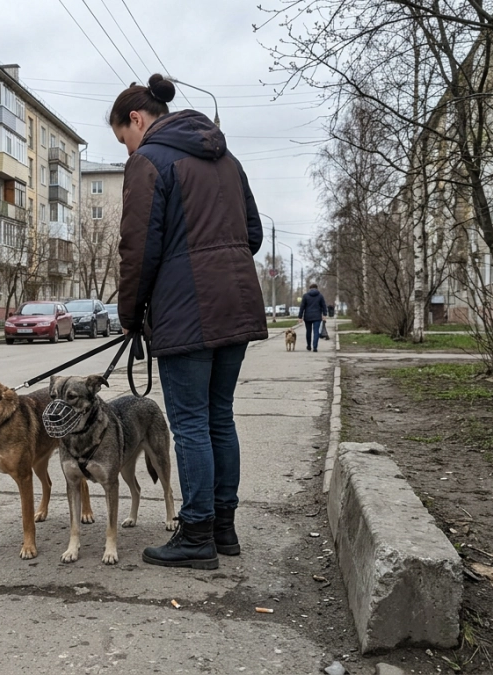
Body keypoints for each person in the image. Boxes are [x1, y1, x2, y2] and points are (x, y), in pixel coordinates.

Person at [112, 74, 268, 570]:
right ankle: (223, 528)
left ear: (137, 120)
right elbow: (253, 233)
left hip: (187, 310)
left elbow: (138, 250)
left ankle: (196, 533)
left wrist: (130, 316)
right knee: (219, 416)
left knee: (191, 424)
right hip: (238, 304)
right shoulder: (227, 159)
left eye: (123, 138)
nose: (126, 149)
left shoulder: (150, 161)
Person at [298, 283, 328, 352]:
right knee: (316, 331)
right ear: (317, 288)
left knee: (308, 331)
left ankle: (309, 345)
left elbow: (302, 307)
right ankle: (315, 347)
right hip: (317, 316)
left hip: (307, 316)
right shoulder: (320, 296)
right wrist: (324, 314)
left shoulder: (305, 296)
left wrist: (300, 317)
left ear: (310, 288)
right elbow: (324, 306)